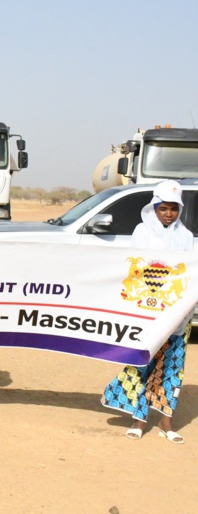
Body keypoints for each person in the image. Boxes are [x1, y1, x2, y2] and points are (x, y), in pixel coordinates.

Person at [101, 180, 193, 444]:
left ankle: (166, 423)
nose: (168, 214)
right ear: (154, 207)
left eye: (174, 209)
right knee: (143, 366)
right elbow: (139, 269)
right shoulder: (142, 232)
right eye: (163, 208)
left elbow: (187, 273)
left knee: (172, 371)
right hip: (149, 314)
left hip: (177, 315)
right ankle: (138, 421)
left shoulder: (185, 237)